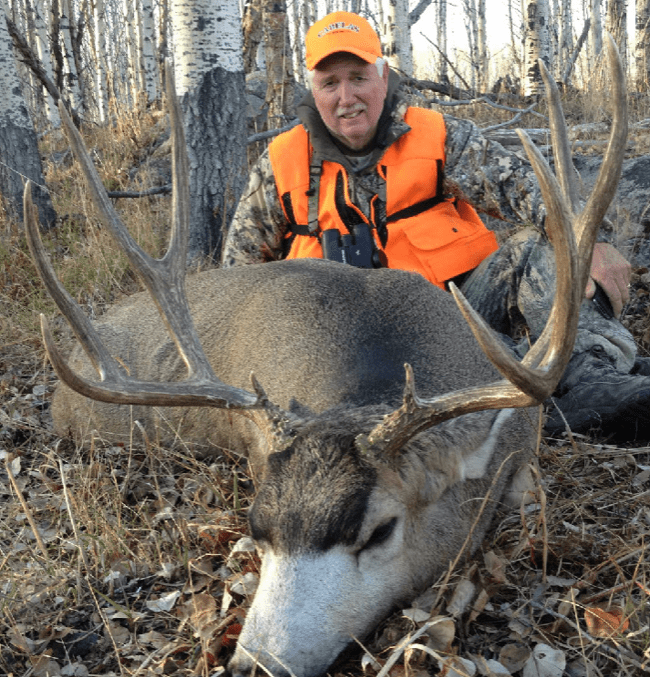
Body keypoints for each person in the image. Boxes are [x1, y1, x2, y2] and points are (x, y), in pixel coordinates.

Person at [222, 11, 650, 443]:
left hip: (452, 324)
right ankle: (532, 401)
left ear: (383, 76)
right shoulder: (280, 165)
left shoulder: (438, 137)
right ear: (313, 91)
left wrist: (594, 241)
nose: (346, 97)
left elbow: (530, 191)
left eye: (358, 78)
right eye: (330, 83)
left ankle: (589, 376)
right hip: (335, 353)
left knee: (539, 245)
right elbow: (234, 283)